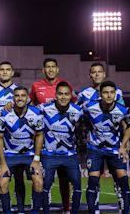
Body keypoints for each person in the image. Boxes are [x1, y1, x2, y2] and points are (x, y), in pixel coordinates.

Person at [77, 62, 125, 213]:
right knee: (94, 179)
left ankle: (122, 204)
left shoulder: (117, 93)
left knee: (119, 179)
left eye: (100, 71)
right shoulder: (83, 94)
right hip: (94, 143)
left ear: (104, 74)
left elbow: (124, 117)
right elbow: (75, 113)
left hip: (115, 144)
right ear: (90, 75)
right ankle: (95, 208)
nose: (97, 74)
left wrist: (126, 142)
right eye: (94, 72)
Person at [29, 58, 75, 213]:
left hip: (64, 140)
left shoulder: (65, 85)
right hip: (43, 139)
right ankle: (44, 207)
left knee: (65, 179)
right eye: (47, 67)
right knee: (43, 179)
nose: (50, 69)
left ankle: (67, 209)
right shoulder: (36, 86)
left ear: (57, 69)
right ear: (43, 70)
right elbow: (30, 106)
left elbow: (74, 106)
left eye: (53, 67)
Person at [83, 81, 130, 214]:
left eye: (112, 92)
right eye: (106, 92)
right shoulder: (89, 106)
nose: (109, 95)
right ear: (100, 94)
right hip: (95, 148)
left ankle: (125, 211)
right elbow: (76, 114)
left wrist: (123, 145)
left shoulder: (123, 110)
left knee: (123, 179)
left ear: (115, 94)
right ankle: (93, 211)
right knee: (93, 181)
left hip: (114, 149)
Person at [0, 61, 27, 213]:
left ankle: (21, 209)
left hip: (14, 143)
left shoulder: (19, 91)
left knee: (18, 177)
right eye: (1, 70)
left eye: (7, 70)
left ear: (12, 72)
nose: (4, 72)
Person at [0, 86, 44, 214]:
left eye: (23, 95)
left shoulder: (36, 113)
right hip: (10, 156)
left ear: (28, 98)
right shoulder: (4, 114)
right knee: (3, 183)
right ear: (13, 98)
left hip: (28, 155)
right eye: (17, 96)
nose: (20, 98)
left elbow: (39, 135)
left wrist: (36, 159)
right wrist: (2, 163)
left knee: (38, 182)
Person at [39, 81, 82, 214]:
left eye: (66, 94)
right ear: (55, 95)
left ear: (70, 96)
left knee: (77, 185)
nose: (63, 97)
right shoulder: (44, 108)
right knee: (45, 186)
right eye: (60, 94)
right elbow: (25, 109)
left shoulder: (78, 111)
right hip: (49, 155)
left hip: (70, 155)